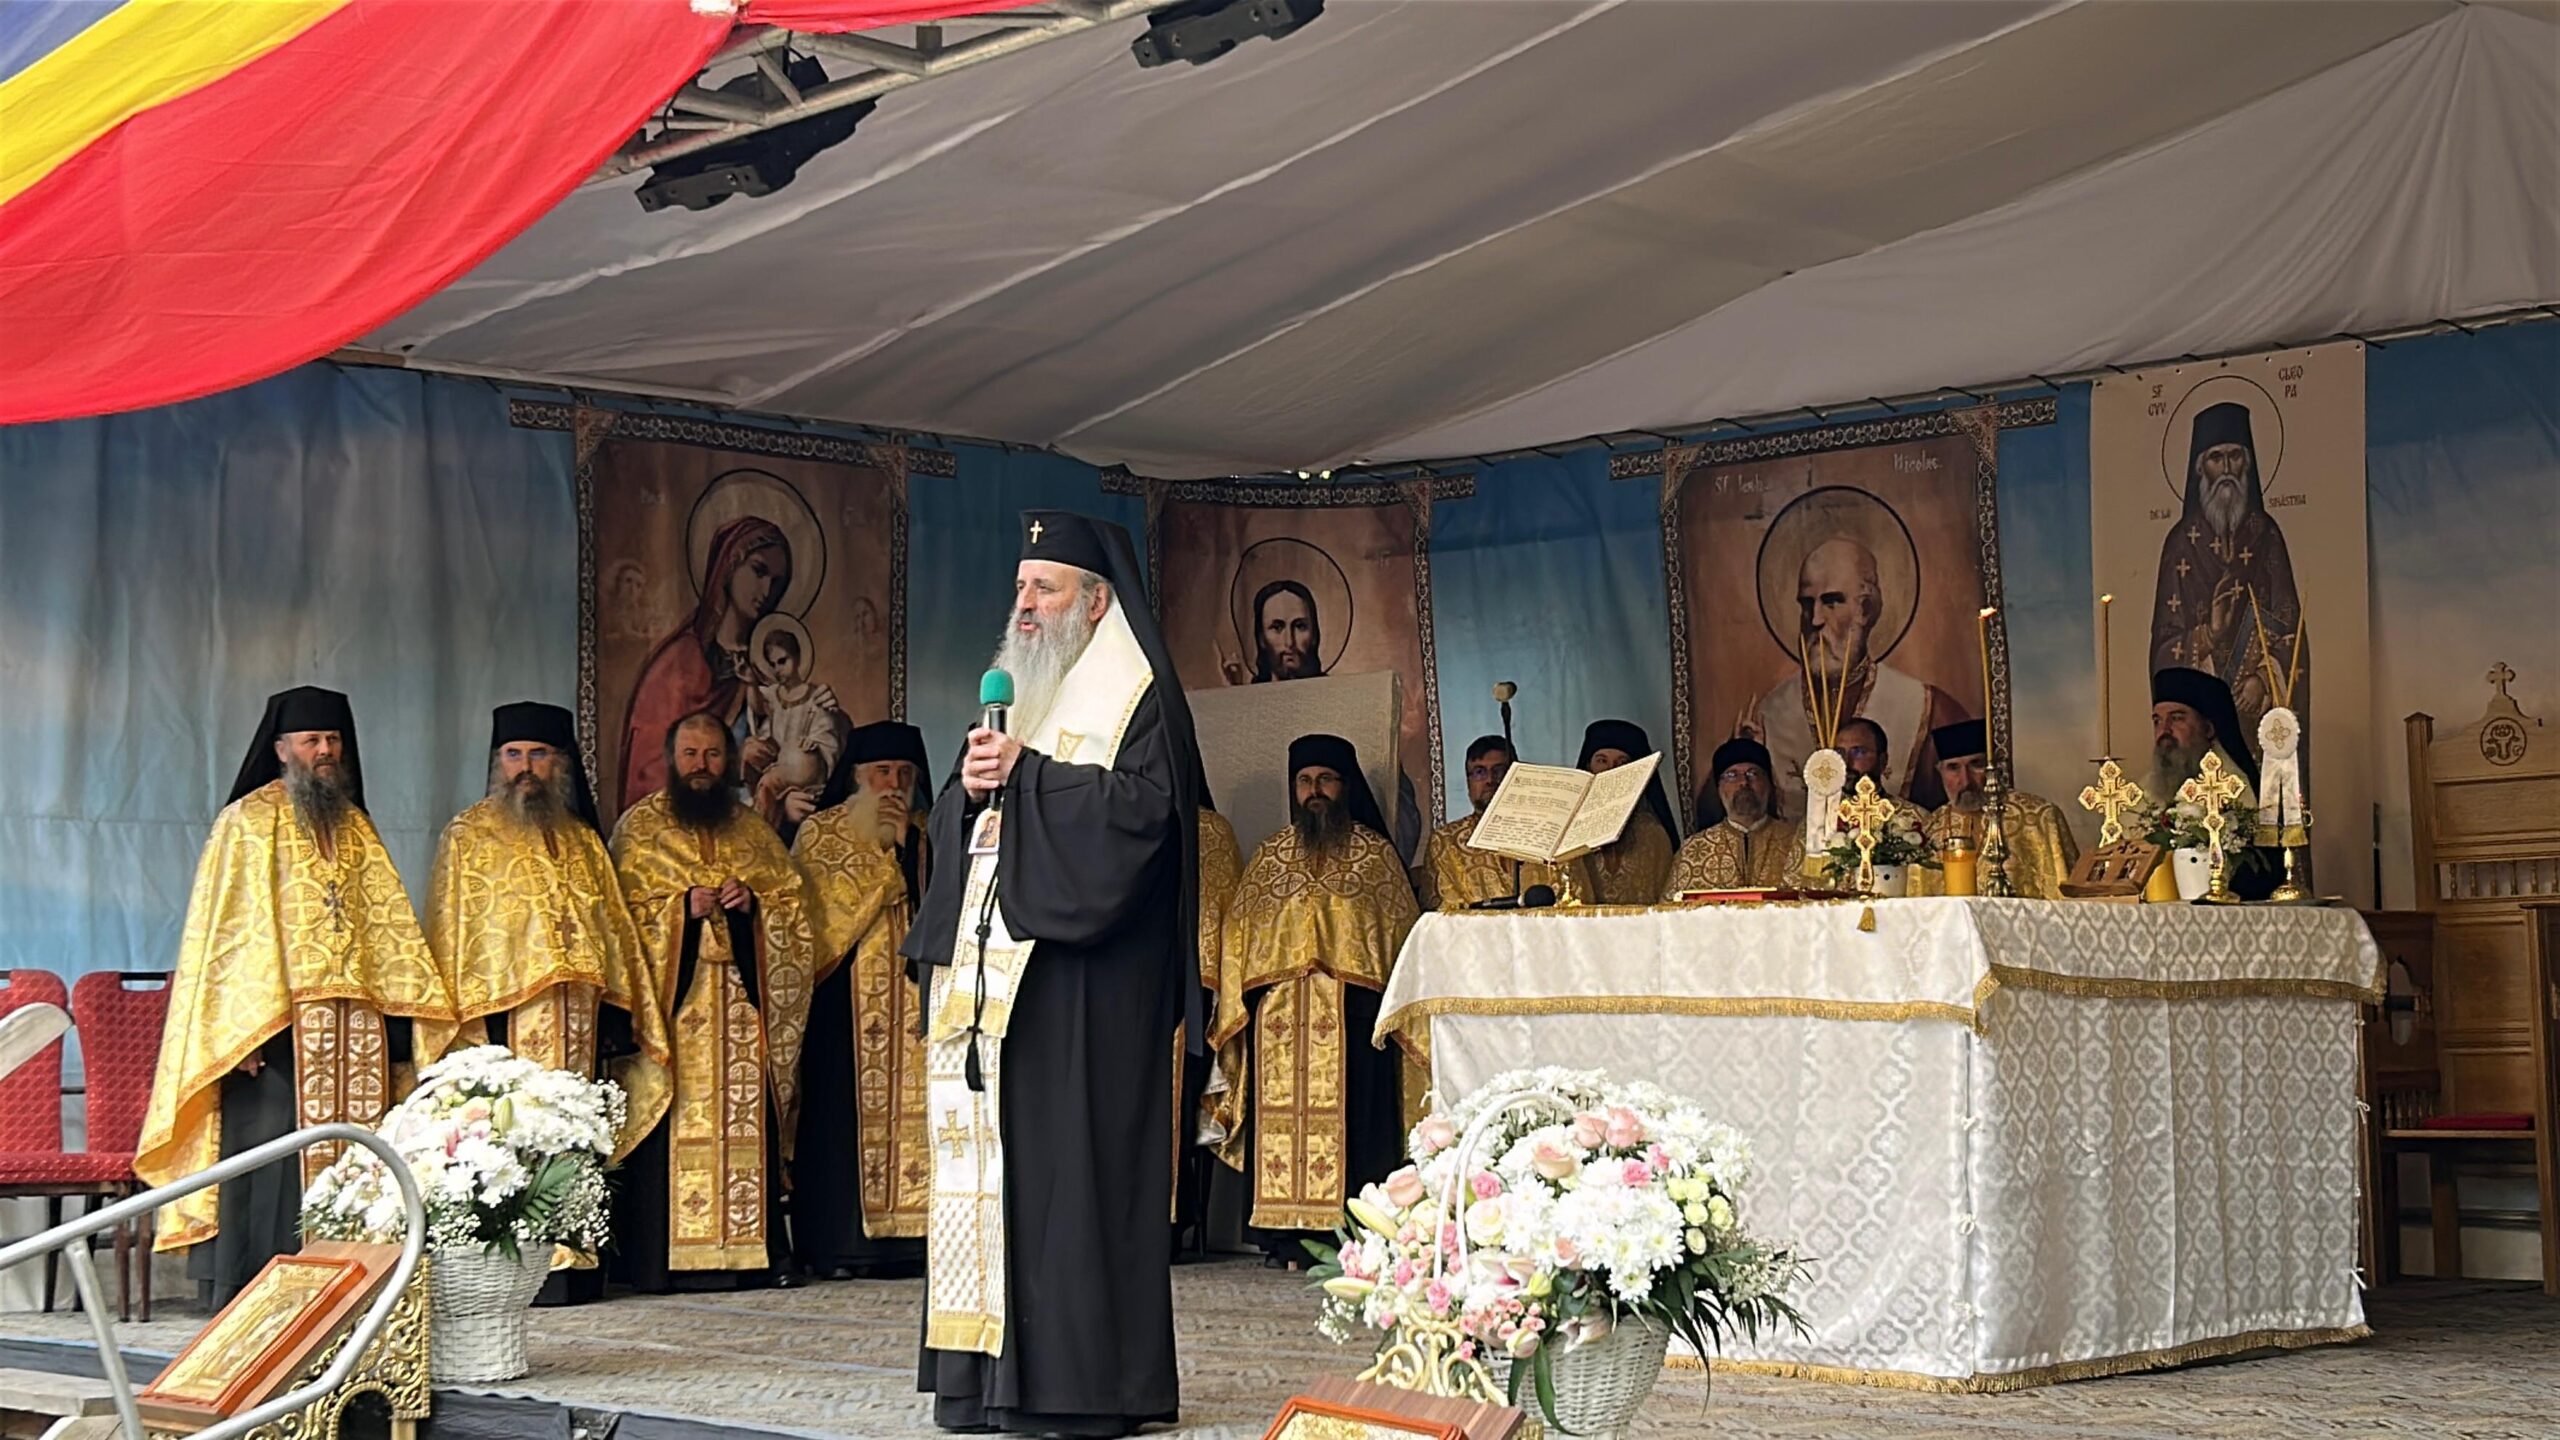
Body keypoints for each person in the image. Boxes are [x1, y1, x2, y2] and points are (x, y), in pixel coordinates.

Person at [903, 511, 1201, 1438]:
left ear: (1096, 602)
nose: (1025, 605)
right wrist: (970, 793)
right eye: (1021, 588)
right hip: (999, 997)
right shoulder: (1020, 694)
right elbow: (966, 822)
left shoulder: (1138, 696)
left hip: (1088, 991)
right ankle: (981, 1385)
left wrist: (1028, 777)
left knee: (1074, 1181)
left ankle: (1081, 1389)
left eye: (1045, 588)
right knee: (993, 1179)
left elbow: (1146, 820)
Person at [137, 687, 458, 1306]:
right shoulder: (247, 821)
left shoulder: (356, 826)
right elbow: (229, 934)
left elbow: (387, 926)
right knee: (270, 1156)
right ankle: (254, 1288)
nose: (325, 751)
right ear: (282, 749)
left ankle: (350, 1281)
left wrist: (406, 1011)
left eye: (333, 740)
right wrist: (237, 1032)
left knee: (357, 1150)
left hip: (355, 1024)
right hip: (274, 1023)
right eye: (312, 741)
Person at [426, 703, 670, 1304]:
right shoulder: (468, 835)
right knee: (514, 1136)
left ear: (560, 763)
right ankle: (516, 1265)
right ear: (497, 763)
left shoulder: (583, 841)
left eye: (539, 754)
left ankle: (576, 1267)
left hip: (579, 1020)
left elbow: (613, 932)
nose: (526, 767)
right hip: (504, 1021)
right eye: (514, 755)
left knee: (575, 1131)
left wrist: (622, 1008)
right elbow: (453, 932)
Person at [608, 712, 820, 1292]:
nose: (701, 766)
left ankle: (750, 1255)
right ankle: (663, 1261)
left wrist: (753, 908)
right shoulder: (638, 829)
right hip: (674, 1016)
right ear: (670, 760)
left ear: (729, 761)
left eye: (712, 755)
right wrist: (679, 910)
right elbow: (618, 923)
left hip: (741, 1016)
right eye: (690, 754)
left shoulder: (754, 832)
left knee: (747, 1125)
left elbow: (795, 916)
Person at [1214, 734, 1420, 1266]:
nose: (1315, 791)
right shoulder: (1270, 856)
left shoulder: (1375, 858)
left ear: (1345, 787)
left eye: (1325, 779)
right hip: (1279, 1021)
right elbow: (1239, 936)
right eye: (1305, 781)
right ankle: (1283, 1237)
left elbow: (1401, 938)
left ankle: (1353, 1236)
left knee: (1358, 1127)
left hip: (1353, 1018)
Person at [791, 721, 933, 1279]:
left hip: (917, 1004)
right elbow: (814, 924)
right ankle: (841, 1245)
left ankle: (916, 1238)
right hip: (843, 1006)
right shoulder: (821, 834)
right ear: (855, 777)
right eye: (882, 772)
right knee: (839, 1118)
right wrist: (885, 872)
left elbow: (943, 906)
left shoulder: (930, 834)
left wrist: (908, 851)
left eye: (904, 773)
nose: (893, 784)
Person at [1744, 537, 1968, 814]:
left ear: (1865, 609)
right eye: (1806, 604)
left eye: (1831, 602)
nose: (1814, 619)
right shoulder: (1768, 714)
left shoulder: (1930, 709)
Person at [2148, 402, 2305, 747]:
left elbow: (2290, 630)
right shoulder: (2180, 544)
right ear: (2199, 468)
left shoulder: (2266, 536)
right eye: (2216, 458)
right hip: (2203, 724)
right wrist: (2209, 634)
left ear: (2247, 463)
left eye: (2235, 456)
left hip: (2260, 718)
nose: (2227, 469)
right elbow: (2163, 647)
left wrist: (2263, 678)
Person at [620, 514, 794, 810]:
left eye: (777, 582)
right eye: (758, 571)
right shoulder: (680, 662)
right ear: (729, 566)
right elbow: (648, 772)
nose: (767, 591)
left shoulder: (770, 662)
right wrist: (735, 761)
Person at [1417, 735, 1592, 909]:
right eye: (1479, 772)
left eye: (1499, 771)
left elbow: (1578, 899)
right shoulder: (1446, 841)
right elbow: (1440, 913)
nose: (1490, 780)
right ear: (1468, 781)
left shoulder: (1552, 833)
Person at [1181, 769, 1245, 1246]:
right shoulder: (1109, 820)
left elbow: (1223, 916)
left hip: (1190, 993)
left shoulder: (1212, 832)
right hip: (1116, 990)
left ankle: (1178, 1223)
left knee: (1180, 1109)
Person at [1921, 720, 2080, 900]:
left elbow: (2069, 897)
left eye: (1976, 764)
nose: (1965, 780)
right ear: (1940, 771)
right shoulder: (1929, 830)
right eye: (1953, 767)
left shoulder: (2040, 817)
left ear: (1993, 767)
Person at [746, 617, 846, 836]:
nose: (777, 670)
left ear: (797, 657)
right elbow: (758, 712)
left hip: (803, 770)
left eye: (782, 661)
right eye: (772, 664)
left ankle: (761, 837)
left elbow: (828, 736)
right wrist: (751, 683)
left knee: (769, 786)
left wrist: (815, 744)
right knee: (750, 750)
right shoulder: (772, 696)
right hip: (778, 764)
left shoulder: (816, 697)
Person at [1664, 738, 1797, 894]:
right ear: (1719, 788)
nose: (1744, 782)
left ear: (1769, 784)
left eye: (1753, 773)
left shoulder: (1796, 841)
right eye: (1732, 775)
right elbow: (1671, 906)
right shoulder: (1692, 850)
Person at [1577, 720, 1678, 903]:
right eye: (1602, 761)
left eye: (1622, 762)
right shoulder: (1568, 830)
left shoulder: (1654, 835)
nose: (1611, 770)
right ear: (1588, 767)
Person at [1224, 578, 1325, 684]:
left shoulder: (1329, 688)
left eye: (1300, 626)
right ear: (1261, 638)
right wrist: (1237, 690)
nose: (1289, 642)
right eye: (1277, 628)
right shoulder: (1254, 691)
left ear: (1314, 635)